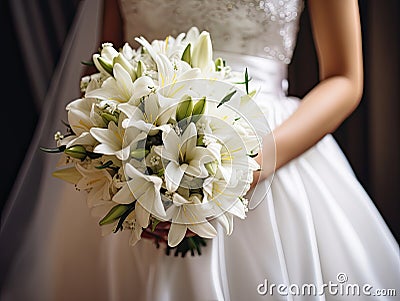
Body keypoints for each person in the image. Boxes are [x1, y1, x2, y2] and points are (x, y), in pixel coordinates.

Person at [1, 0, 399, 300]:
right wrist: (127, 177)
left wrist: (253, 165)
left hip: (271, 147)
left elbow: (346, 78)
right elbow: (103, 64)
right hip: (139, 151)